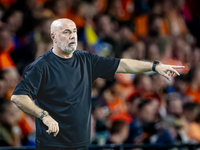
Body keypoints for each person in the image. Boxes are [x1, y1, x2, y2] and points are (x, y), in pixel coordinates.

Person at [11, 18, 184, 150]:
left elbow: (122, 65)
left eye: (74, 31)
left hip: (81, 143)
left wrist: (154, 66)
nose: (72, 36)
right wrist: (43, 116)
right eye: (66, 32)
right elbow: (18, 97)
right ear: (53, 36)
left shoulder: (86, 59)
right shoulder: (42, 66)